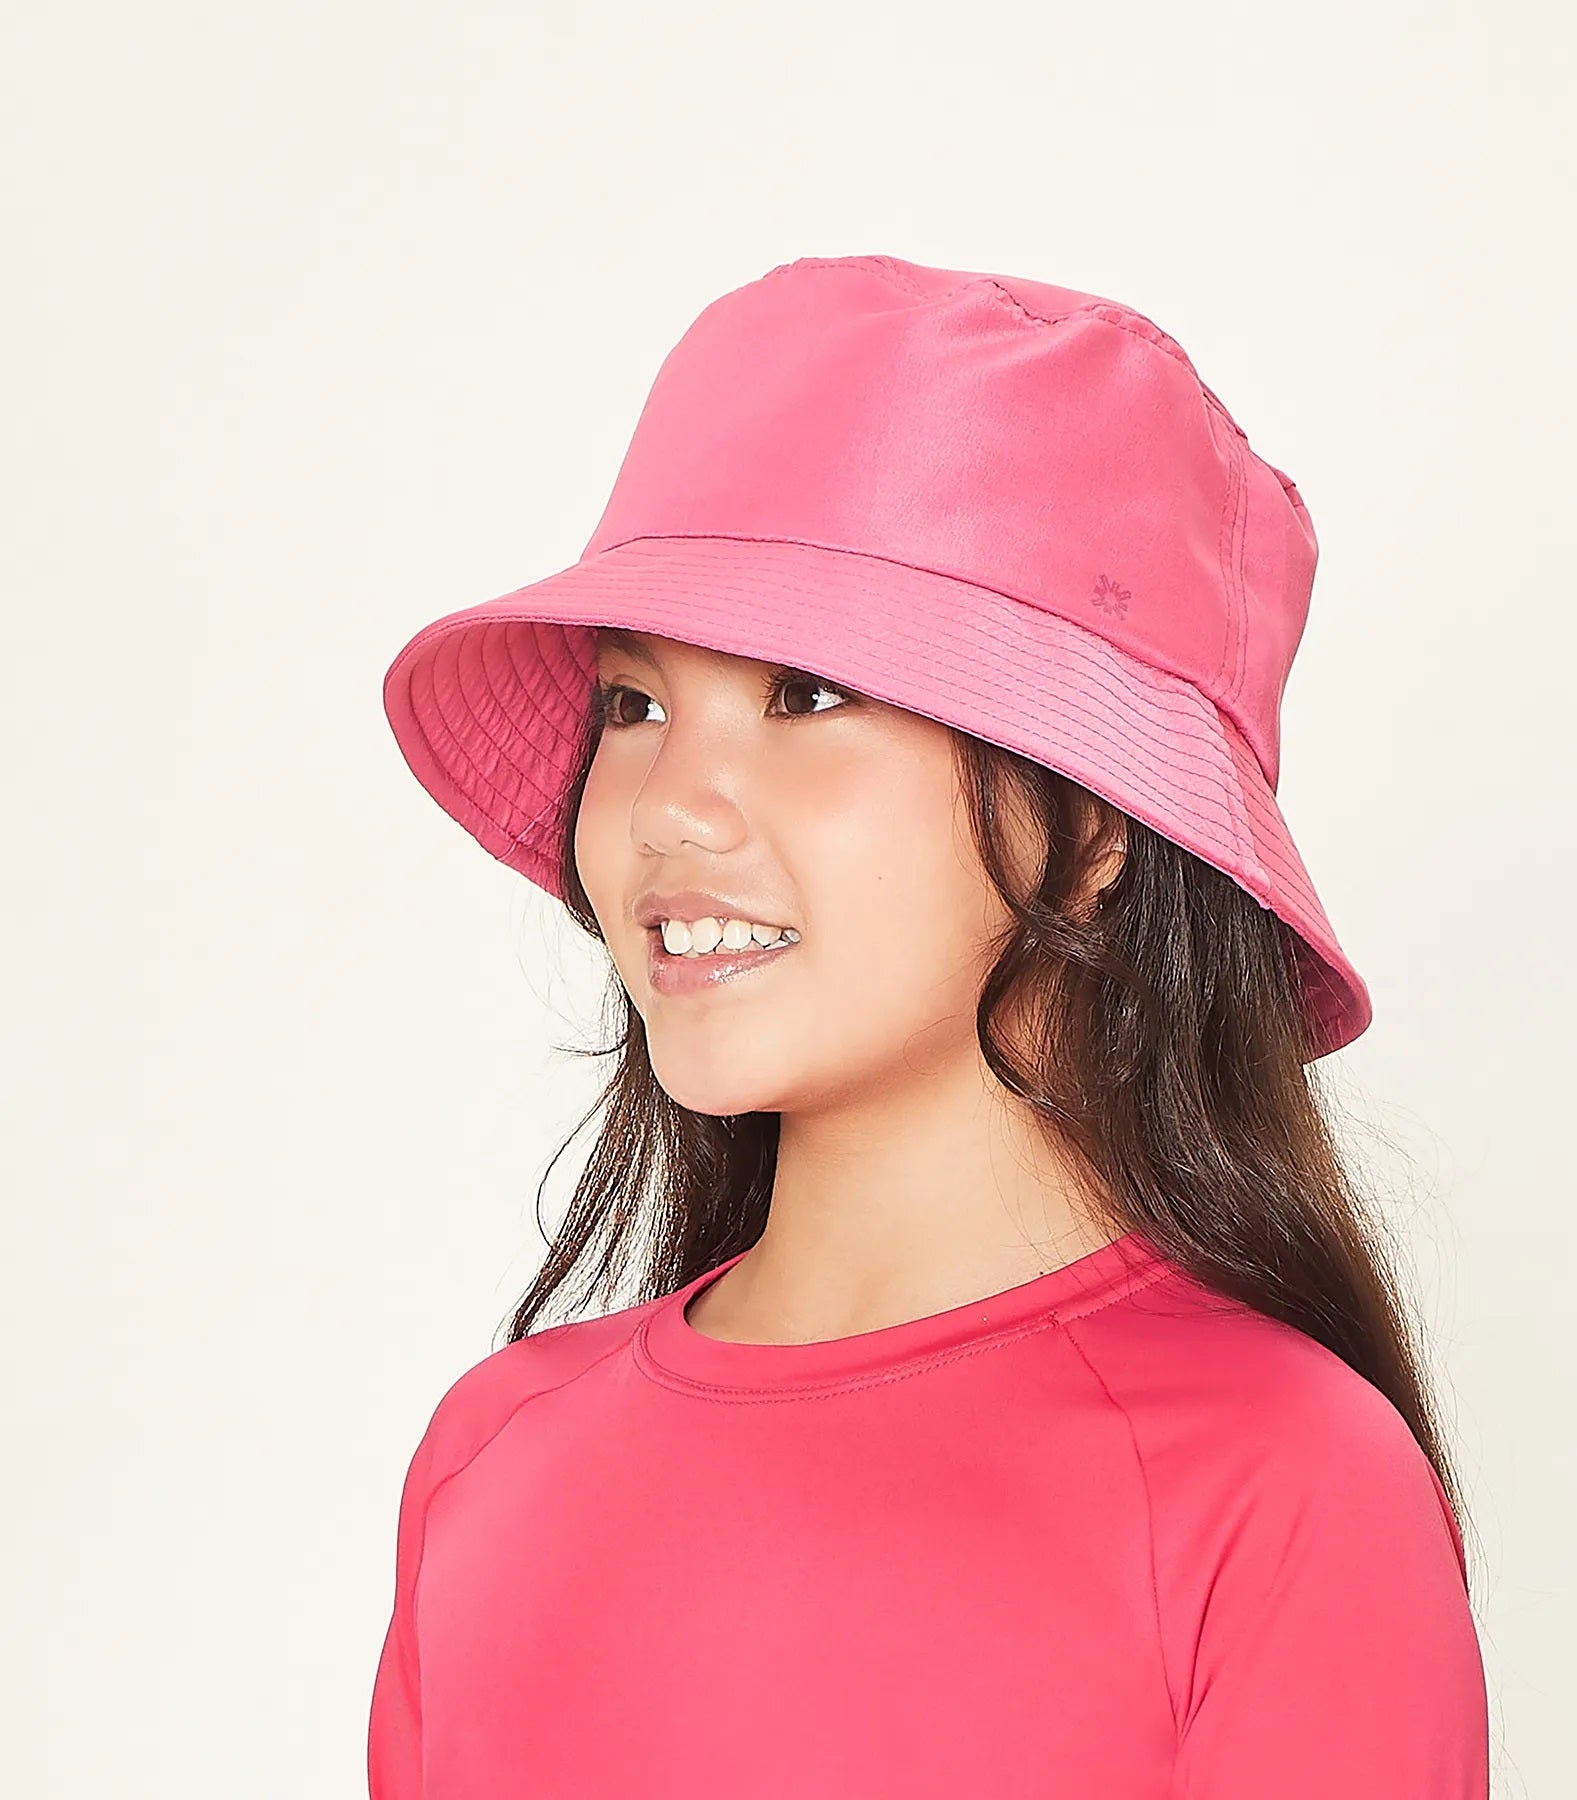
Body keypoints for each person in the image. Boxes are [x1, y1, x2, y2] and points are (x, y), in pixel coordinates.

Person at [368, 253, 1490, 1797]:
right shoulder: (496, 1457)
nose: (671, 809)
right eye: (635, 705)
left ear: (1096, 826)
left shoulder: (1278, 1485)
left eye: (807, 694)